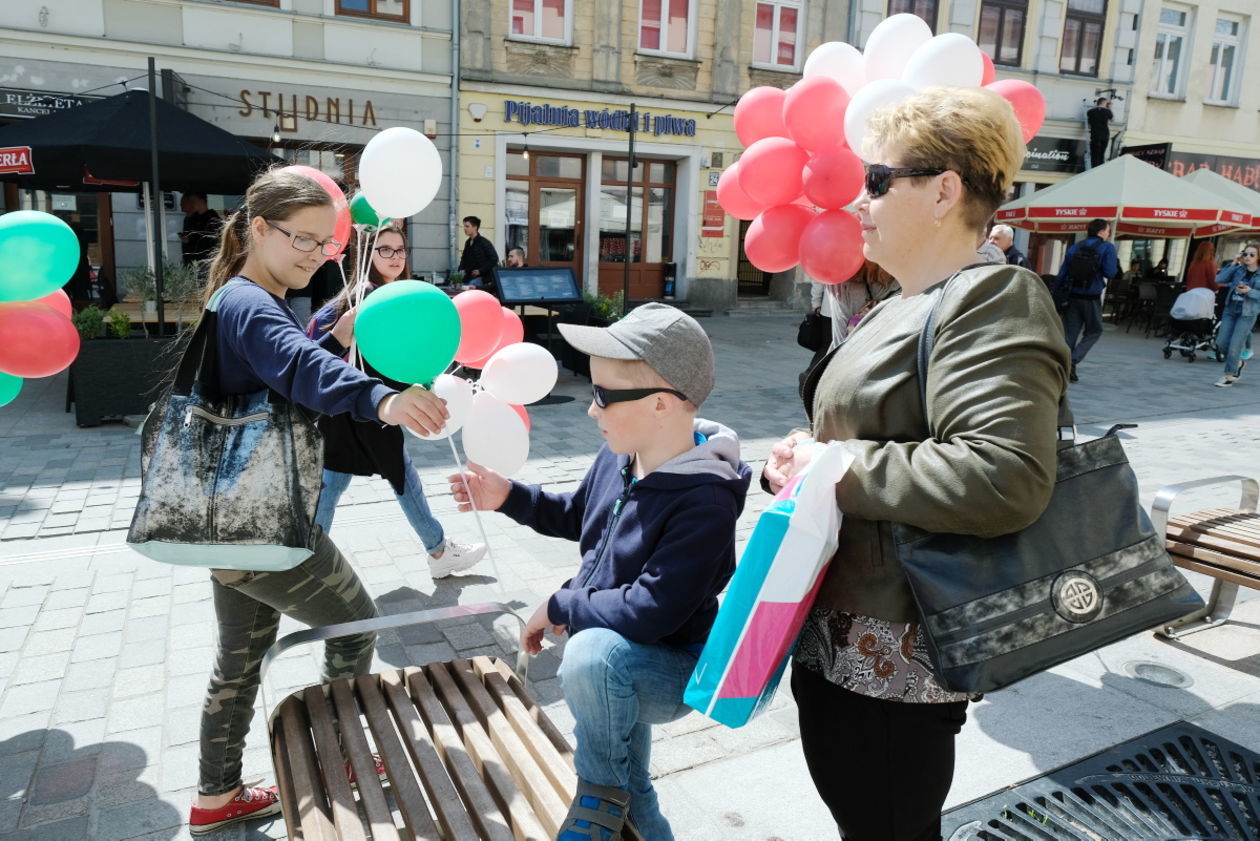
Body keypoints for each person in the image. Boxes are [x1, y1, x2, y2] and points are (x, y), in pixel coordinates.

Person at [763, 86, 1068, 841]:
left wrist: (835, 464)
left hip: (896, 657)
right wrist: (802, 459)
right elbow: (863, 436)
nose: (857, 201)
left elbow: (1006, 473)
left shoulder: (992, 295)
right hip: (842, 637)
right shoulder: (902, 301)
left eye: (876, 180)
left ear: (944, 191)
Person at [185, 169, 451, 836]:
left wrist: (334, 335)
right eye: (301, 238)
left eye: (324, 243)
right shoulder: (250, 303)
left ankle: (215, 796)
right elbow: (300, 371)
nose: (313, 253)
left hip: (228, 520)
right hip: (264, 517)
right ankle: (345, 762)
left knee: (239, 658)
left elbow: (285, 363)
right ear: (258, 230)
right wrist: (382, 397)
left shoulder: (239, 298)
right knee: (355, 622)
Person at [449, 303, 752, 841]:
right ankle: (615, 797)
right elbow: (576, 514)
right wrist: (508, 497)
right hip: (613, 653)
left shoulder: (704, 500)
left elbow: (651, 612)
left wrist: (562, 604)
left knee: (590, 657)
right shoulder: (620, 453)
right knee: (635, 788)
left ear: (661, 404)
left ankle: (595, 789)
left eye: (603, 396)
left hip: (669, 665)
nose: (591, 412)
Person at [309, 224, 486, 578]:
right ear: (368, 255)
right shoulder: (366, 296)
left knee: (334, 480)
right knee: (400, 476)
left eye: (400, 249)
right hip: (368, 407)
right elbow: (323, 339)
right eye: (384, 249)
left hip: (361, 408)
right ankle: (438, 551)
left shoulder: (394, 295)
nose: (394, 256)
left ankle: (309, 556)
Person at [1052, 218, 1119, 383]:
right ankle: (1073, 360)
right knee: (1095, 330)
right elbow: (1111, 273)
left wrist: (1056, 295)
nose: (1109, 233)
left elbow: (1062, 274)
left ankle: (1065, 367)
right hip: (1091, 297)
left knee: (1070, 333)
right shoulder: (1107, 247)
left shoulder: (1076, 246)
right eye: (1108, 230)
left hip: (1072, 296)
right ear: (1102, 231)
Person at [1213, 244, 1260, 387]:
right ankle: (1238, 363)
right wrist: (1233, 263)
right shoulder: (1238, 269)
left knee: (1235, 345)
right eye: (1245, 254)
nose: (1248, 257)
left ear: (1258, 256)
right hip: (1230, 310)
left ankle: (1229, 375)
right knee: (1221, 343)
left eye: (1252, 254)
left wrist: (1249, 291)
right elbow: (1218, 279)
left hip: (1248, 313)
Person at [179, 192, 223, 269]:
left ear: (201, 200)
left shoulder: (212, 218)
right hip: (192, 264)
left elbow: (217, 241)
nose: (191, 204)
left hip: (207, 263)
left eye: (193, 201)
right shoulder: (191, 219)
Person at [458, 215, 499, 291]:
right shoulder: (468, 242)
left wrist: (480, 271)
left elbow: (494, 258)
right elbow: (464, 258)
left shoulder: (484, 242)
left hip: (482, 278)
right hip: (469, 277)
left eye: (467, 226)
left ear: (475, 227)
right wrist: (460, 270)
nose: (464, 229)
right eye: (464, 226)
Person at [1086, 97, 1112, 168]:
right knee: (1102, 153)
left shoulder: (1090, 112)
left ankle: (1093, 167)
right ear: (1103, 103)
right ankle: (1100, 167)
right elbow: (1112, 119)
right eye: (1106, 103)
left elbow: (1089, 122)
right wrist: (1109, 108)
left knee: (1094, 153)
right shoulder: (1107, 111)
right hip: (1105, 134)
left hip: (1095, 134)